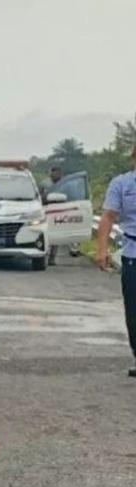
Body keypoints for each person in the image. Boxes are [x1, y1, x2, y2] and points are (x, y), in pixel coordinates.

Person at [95, 145, 136, 377]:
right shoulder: (122, 184)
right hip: (132, 253)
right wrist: (102, 249)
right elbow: (109, 216)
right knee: (134, 310)